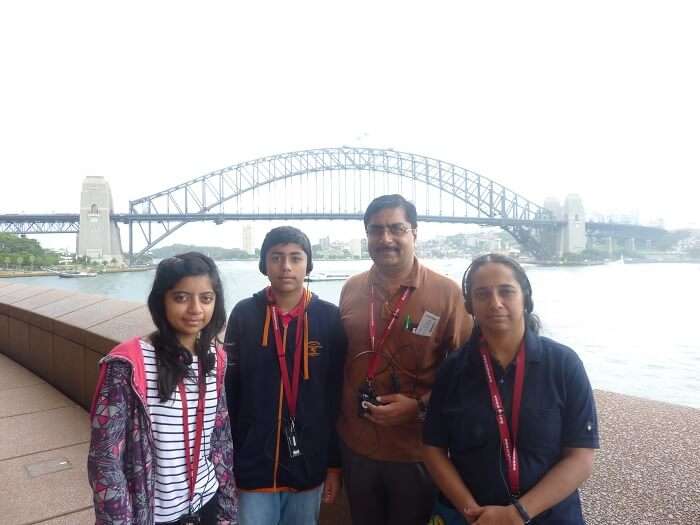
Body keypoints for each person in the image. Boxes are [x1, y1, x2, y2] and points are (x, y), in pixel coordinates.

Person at [423, 253, 599, 524]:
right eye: (482, 294)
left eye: (506, 291)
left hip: (548, 515)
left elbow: (581, 456)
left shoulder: (563, 365)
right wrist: (472, 513)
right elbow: (433, 449)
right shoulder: (453, 369)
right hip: (472, 517)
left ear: (525, 298)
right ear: (470, 305)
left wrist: (518, 513)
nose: (495, 303)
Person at [337, 194, 472, 525]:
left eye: (396, 228)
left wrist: (419, 406)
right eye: (376, 230)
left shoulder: (447, 293)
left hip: (417, 451)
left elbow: (468, 374)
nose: (386, 239)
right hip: (357, 447)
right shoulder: (351, 289)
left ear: (414, 232)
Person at [88, 252, 238, 525]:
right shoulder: (128, 364)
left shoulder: (216, 358)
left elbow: (220, 439)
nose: (195, 309)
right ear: (162, 301)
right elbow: (105, 460)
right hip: (153, 514)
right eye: (181, 297)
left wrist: (227, 510)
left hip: (207, 504)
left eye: (206, 298)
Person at [224, 226, 346, 525]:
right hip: (252, 463)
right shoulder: (244, 314)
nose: (286, 266)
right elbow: (229, 392)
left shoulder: (328, 318)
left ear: (309, 264)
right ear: (264, 264)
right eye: (276, 257)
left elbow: (335, 397)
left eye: (295, 257)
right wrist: (228, 458)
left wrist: (334, 465)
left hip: (309, 462)